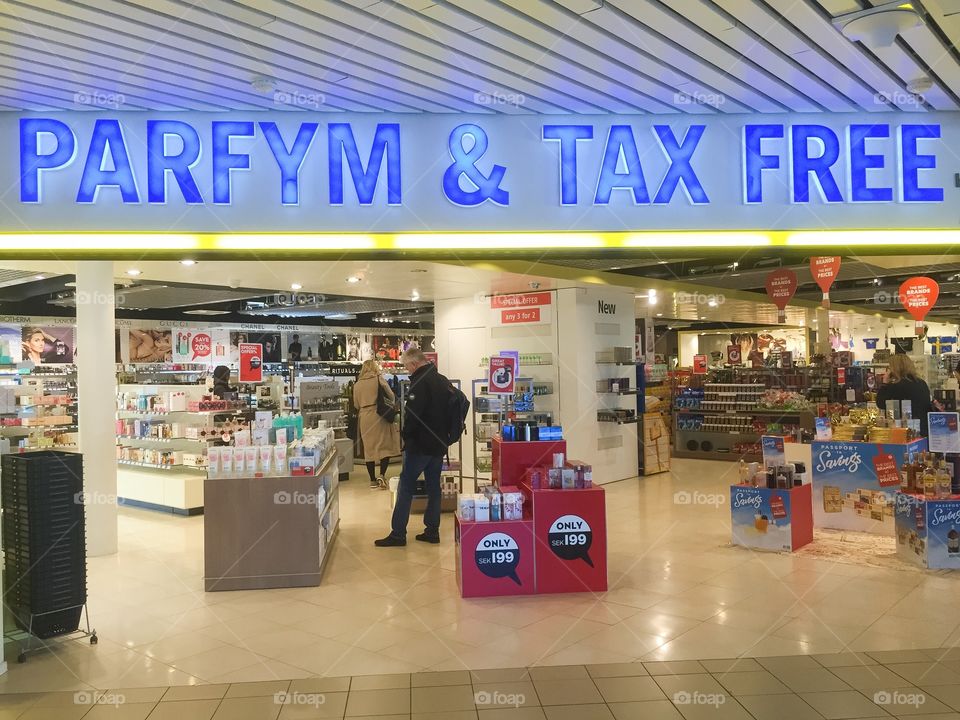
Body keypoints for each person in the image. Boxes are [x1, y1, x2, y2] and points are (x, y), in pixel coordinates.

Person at [375, 347, 450, 547]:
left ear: (414, 363)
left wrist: (406, 436)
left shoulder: (419, 382)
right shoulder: (442, 380)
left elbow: (413, 416)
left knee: (406, 487)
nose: (407, 370)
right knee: (434, 487)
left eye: (407, 366)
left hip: (419, 445)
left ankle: (398, 533)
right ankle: (432, 530)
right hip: (439, 444)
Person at [353, 360, 401, 489]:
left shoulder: (357, 384)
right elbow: (391, 396)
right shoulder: (378, 379)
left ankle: (372, 480)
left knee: (369, 448)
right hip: (380, 414)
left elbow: (356, 404)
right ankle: (382, 475)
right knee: (384, 446)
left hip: (365, 416)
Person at [877, 354, 932, 436]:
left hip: (905, 432)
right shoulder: (921, 383)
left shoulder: (896, 386)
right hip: (923, 429)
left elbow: (881, 403)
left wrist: (885, 383)